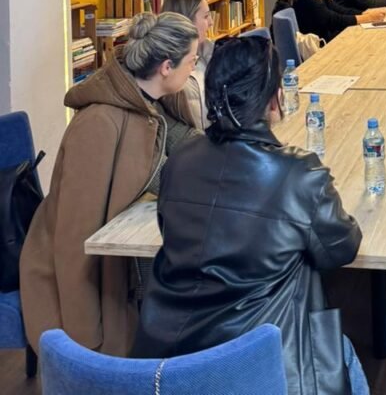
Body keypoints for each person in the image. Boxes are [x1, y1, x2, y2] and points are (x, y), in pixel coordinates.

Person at [132, 34, 368, 395]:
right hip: (263, 366)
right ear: (274, 99)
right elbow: (342, 249)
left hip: (174, 363)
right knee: (343, 350)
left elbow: (172, 231)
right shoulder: (299, 174)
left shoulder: (178, 162)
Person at [20, 12, 199, 356]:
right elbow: (73, 238)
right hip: (76, 287)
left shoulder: (151, 104)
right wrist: (85, 344)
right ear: (166, 66)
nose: (194, 69)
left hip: (121, 269)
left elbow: (188, 145)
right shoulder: (99, 124)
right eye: (192, 60)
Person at [162, 0, 214, 129]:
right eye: (206, 16)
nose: (211, 22)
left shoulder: (209, 55)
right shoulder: (169, 71)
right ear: (187, 21)